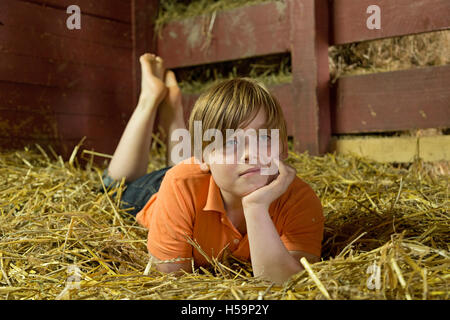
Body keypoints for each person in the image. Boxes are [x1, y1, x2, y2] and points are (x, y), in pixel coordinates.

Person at [101, 53, 325, 284]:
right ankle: (150, 99)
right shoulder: (180, 184)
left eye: (265, 137)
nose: (251, 154)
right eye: (230, 142)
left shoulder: (300, 200)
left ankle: (173, 110)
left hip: (207, 174)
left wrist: (256, 208)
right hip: (160, 190)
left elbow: (290, 285)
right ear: (201, 158)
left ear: (284, 148)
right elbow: (170, 279)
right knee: (113, 186)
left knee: (188, 166)